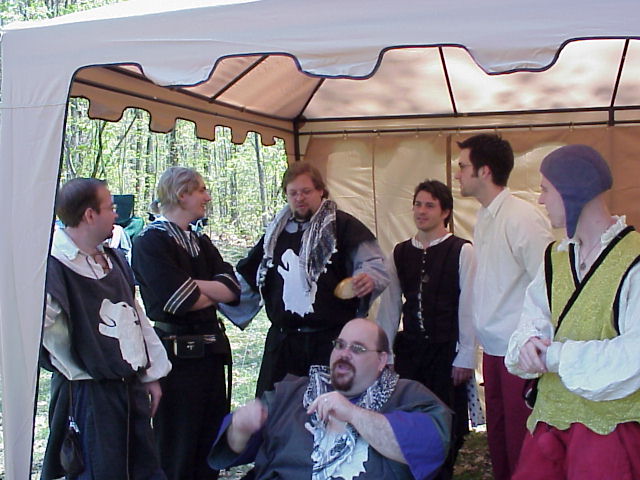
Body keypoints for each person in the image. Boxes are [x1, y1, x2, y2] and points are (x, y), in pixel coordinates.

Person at [505, 145, 640, 479]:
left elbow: (635, 354)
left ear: (572, 190)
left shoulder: (634, 260)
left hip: (609, 433)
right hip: (549, 426)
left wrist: (554, 357)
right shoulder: (556, 258)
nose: (541, 200)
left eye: (545, 190)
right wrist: (528, 344)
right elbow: (531, 321)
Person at [40, 178, 172, 480]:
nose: (116, 214)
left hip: (129, 389)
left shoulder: (113, 258)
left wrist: (151, 374)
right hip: (87, 396)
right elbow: (35, 331)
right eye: (110, 207)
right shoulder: (52, 267)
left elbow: (136, 318)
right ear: (89, 215)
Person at [209, 318, 452, 480]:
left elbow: (430, 450)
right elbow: (233, 448)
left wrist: (353, 414)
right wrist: (240, 429)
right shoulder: (289, 393)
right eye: (340, 345)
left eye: (357, 348)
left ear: (381, 360)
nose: (344, 354)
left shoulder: (409, 397)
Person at [227, 161, 389, 396]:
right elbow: (249, 277)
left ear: (320, 190)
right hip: (283, 343)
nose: (299, 198)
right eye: (293, 193)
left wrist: (368, 279)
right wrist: (212, 295)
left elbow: (374, 265)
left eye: (306, 191)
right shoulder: (274, 234)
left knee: (329, 410)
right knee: (276, 410)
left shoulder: (343, 227)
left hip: (330, 343)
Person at [453, 133, 553, 480]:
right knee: (499, 440)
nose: (457, 174)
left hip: (519, 351)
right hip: (494, 350)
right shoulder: (486, 216)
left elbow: (548, 284)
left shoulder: (522, 217)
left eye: (463, 166)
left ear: (484, 171)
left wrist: (534, 344)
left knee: (521, 443)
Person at [131, 167, 241, 480]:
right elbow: (178, 301)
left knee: (209, 448)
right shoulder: (150, 242)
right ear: (182, 195)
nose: (208, 197)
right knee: (177, 449)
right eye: (201, 190)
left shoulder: (199, 241)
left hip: (209, 358)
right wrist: (208, 290)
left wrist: (193, 285)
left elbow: (233, 290)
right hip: (176, 362)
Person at [377, 179, 476, 480]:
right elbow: (390, 305)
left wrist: (466, 355)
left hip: (446, 353)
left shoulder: (462, 251)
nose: (421, 211)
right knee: (408, 420)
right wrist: (385, 352)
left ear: (445, 211)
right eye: (418, 204)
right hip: (411, 352)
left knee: (446, 422)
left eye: (430, 205)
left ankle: (442, 473)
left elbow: (469, 306)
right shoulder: (400, 252)